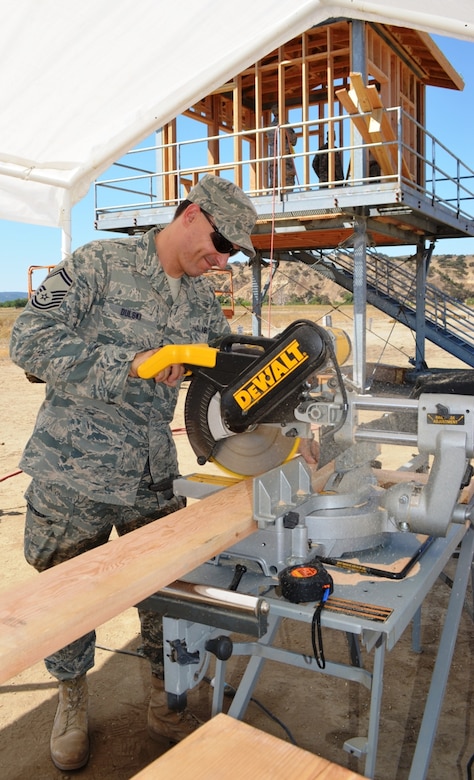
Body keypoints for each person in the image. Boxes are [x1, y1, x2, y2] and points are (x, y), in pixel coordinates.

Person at [10, 174, 319, 772]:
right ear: (191, 214)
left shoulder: (201, 304)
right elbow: (30, 337)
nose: (222, 257)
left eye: (232, 252)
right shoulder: (100, 263)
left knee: (167, 595)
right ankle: (72, 700)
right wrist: (132, 364)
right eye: (221, 241)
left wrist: (294, 409)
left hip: (154, 477)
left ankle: (166, 694)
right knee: (70, 596)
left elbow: (235, 382)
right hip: (73, 471)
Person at [267, 104, 297, 189]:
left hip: (273, 161)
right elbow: (293, 140)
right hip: (285, 159)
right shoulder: (284, 124)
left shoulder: (270, 127)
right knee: (287, 186)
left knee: (274, 184)